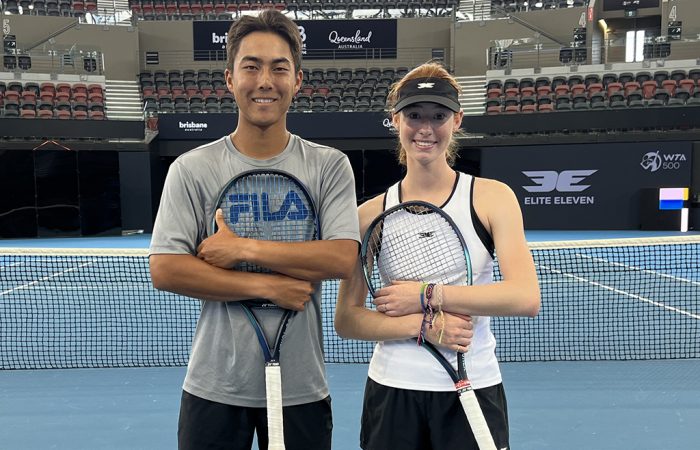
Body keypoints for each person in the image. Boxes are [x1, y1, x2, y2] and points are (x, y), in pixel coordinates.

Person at [149, 10, 360, 450]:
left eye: (279, 68)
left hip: (301, 387)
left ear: (297, 81)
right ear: (229, 79)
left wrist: (242, 247)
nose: (265, 80)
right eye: (251, 66)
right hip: (214, 387)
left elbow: (340, 258)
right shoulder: (192, 169)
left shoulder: (329, 166)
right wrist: (268, 285)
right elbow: (167, 269)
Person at [335, 61, 541, 450]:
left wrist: (426, 296)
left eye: (438, 115)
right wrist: (420, 326)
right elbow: (346, 319)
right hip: (393, 390)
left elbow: (525, 297)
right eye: (413, 115)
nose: (425, 127)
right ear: (395, 120)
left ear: (457, 120)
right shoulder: (367, 216)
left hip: (473, 384)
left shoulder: (492, 197)